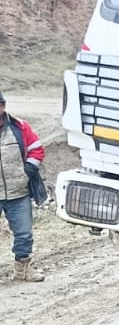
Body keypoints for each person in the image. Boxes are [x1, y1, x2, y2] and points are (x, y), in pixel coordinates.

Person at [0, 90, 47, 283]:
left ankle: (23, 270)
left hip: (18, 192)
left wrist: (26, 172)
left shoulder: (20, 127)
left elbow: (37, 149)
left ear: (3, 106)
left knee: (24, 234)